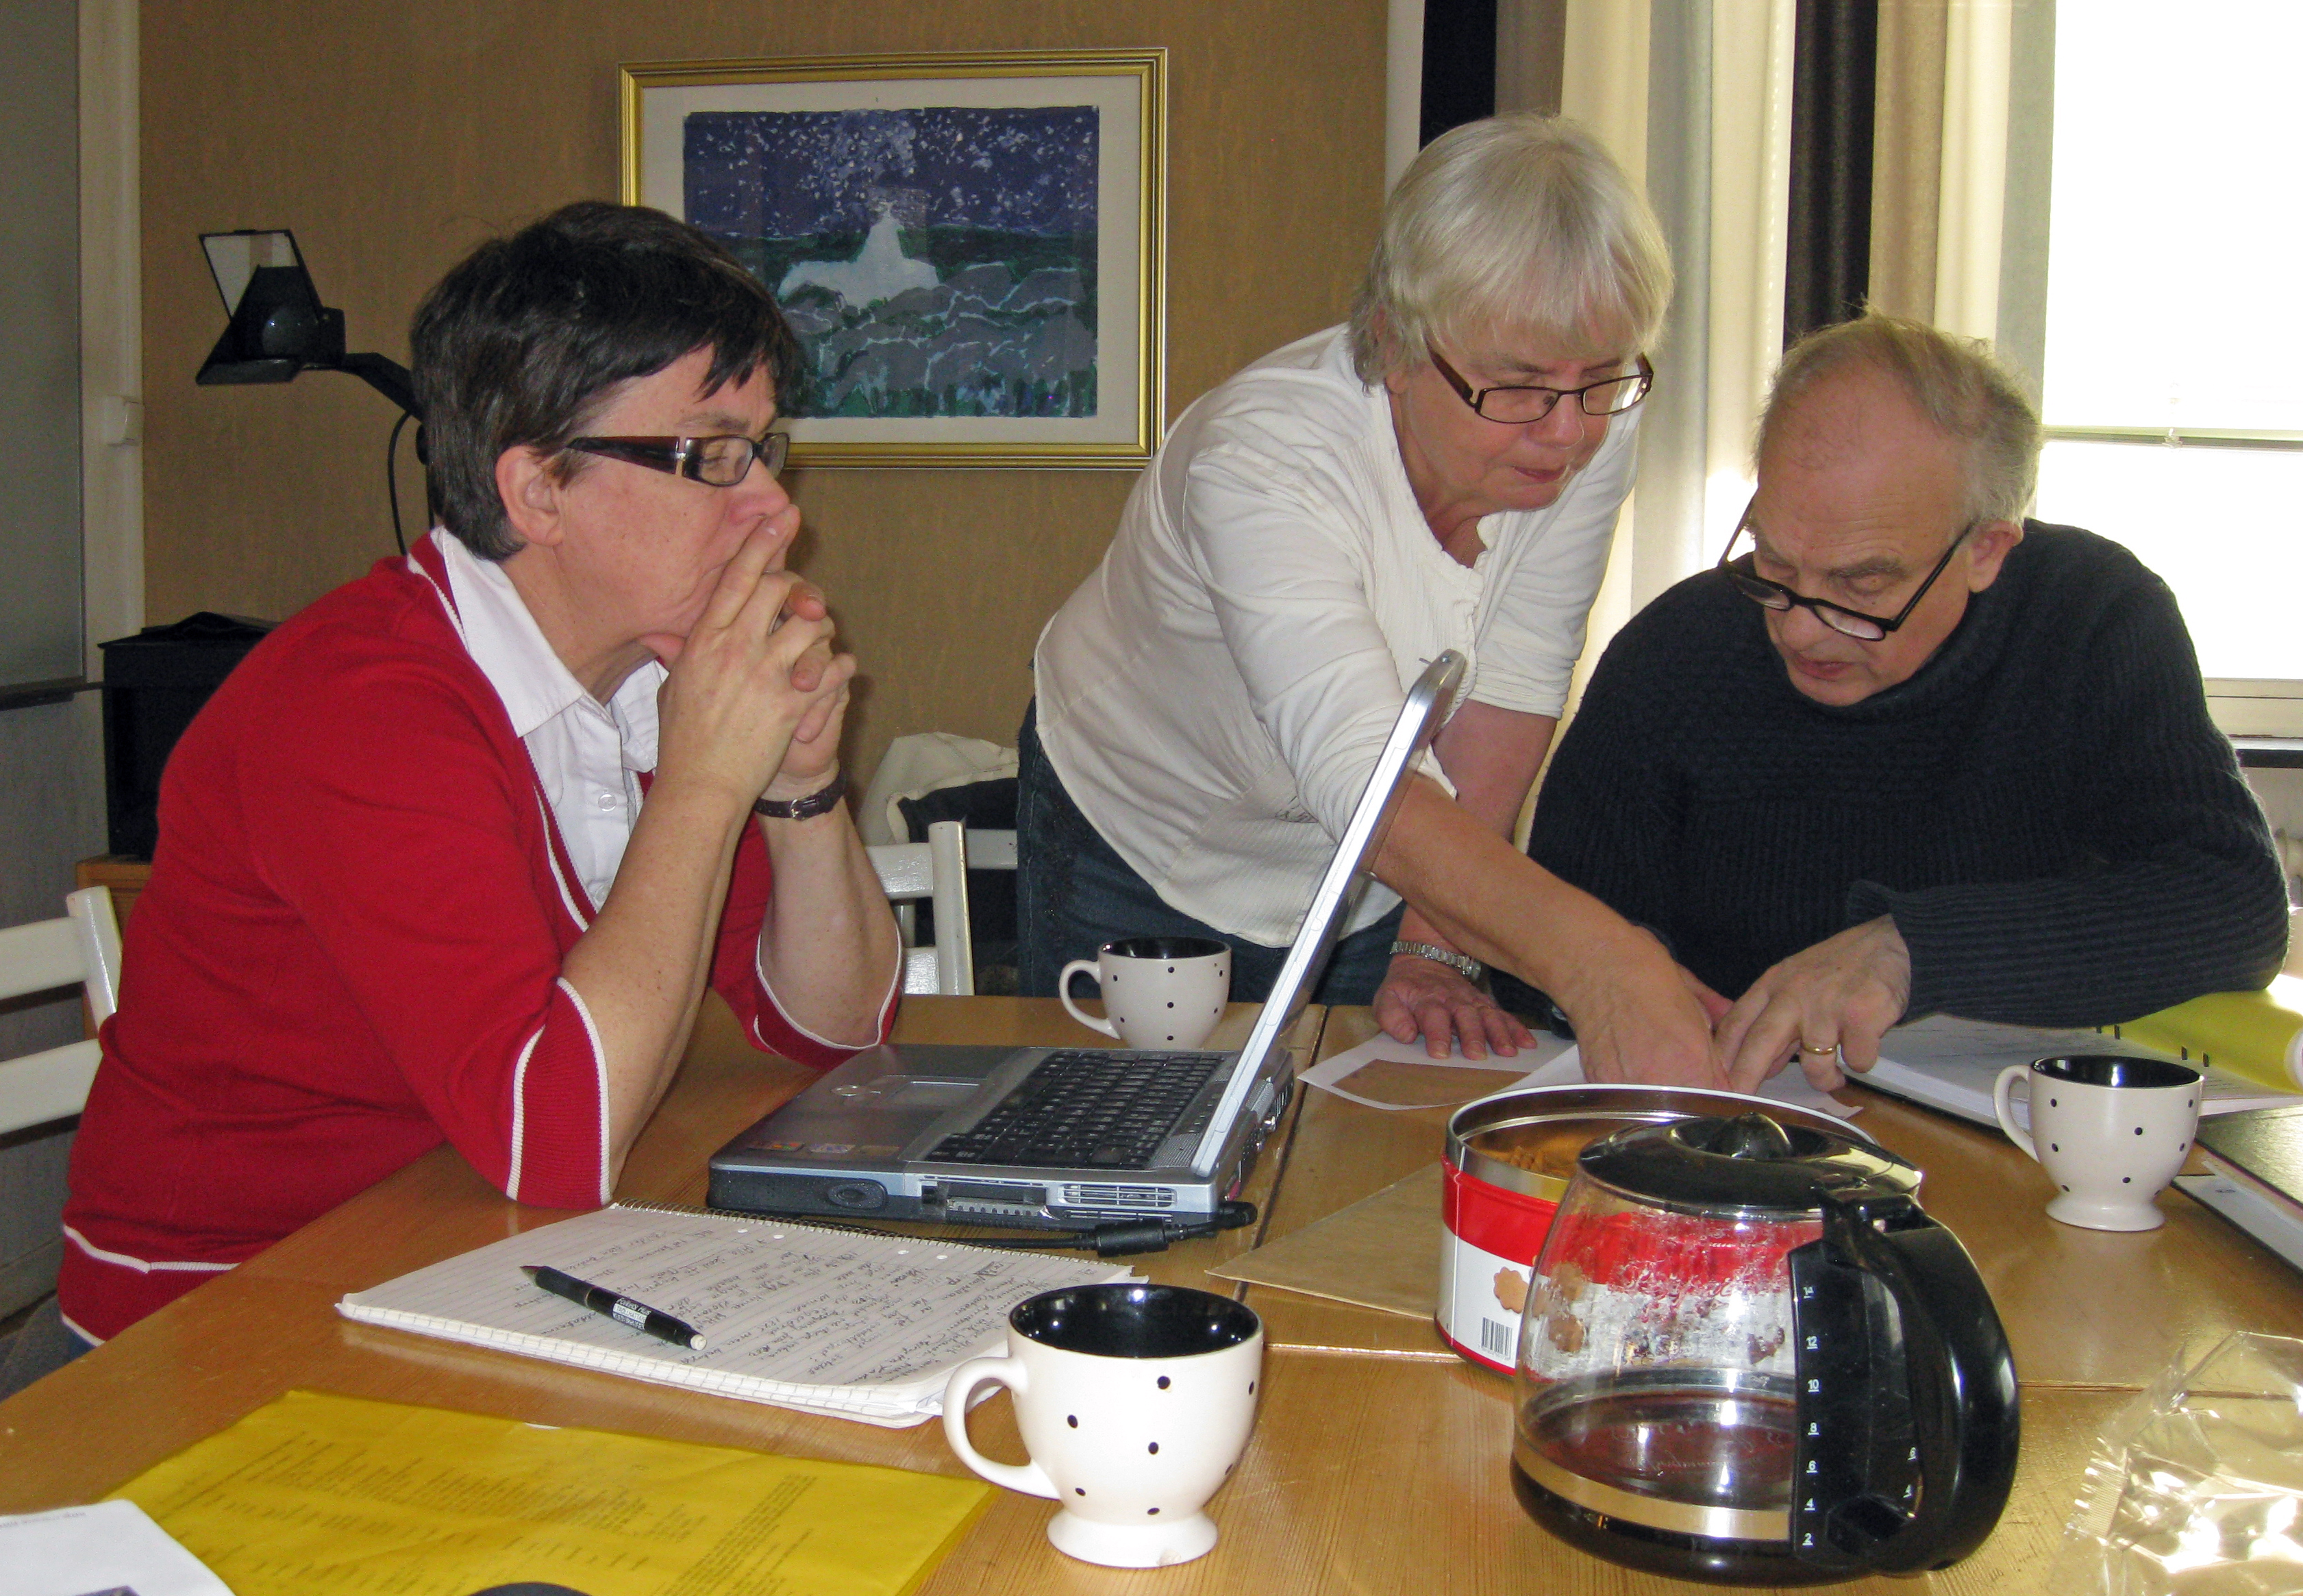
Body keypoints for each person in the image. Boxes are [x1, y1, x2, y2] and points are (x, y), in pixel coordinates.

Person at [47, 203, 901, 1360]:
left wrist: (799, 789)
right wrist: (705, 778)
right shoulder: (361, 706)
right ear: (536, 492)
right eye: (707, 456)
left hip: (458, 1248)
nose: (774, 510)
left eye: (762, 449)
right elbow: (552, 1142)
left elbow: (834, 1030)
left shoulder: (648, 675)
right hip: (217, 1322)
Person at [1021, 113, 1726, 1079]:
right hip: (1150, 836)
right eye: (1517, 385)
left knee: (1341, 1133)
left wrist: (1435, 943)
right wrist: (1599, 963)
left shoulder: (1583, 430)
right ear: (1396, 342)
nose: (1566, 433)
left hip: (1387, 852)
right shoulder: (1264, 460)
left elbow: (1513, 688)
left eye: (1600, 379)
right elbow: (1362, 771)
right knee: (1125, 1141)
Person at [1495, 312, 2289, 1091]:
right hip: (1736, 1132)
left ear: (1984, 549)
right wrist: (1623, 983)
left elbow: (2234, 905)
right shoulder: (1675, 653)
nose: (1800, 629)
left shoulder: (2090, 619)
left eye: (1860, 585)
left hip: (2013, 1154)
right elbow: (1544, 945)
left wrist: (1909, 949)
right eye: (1772, 561)